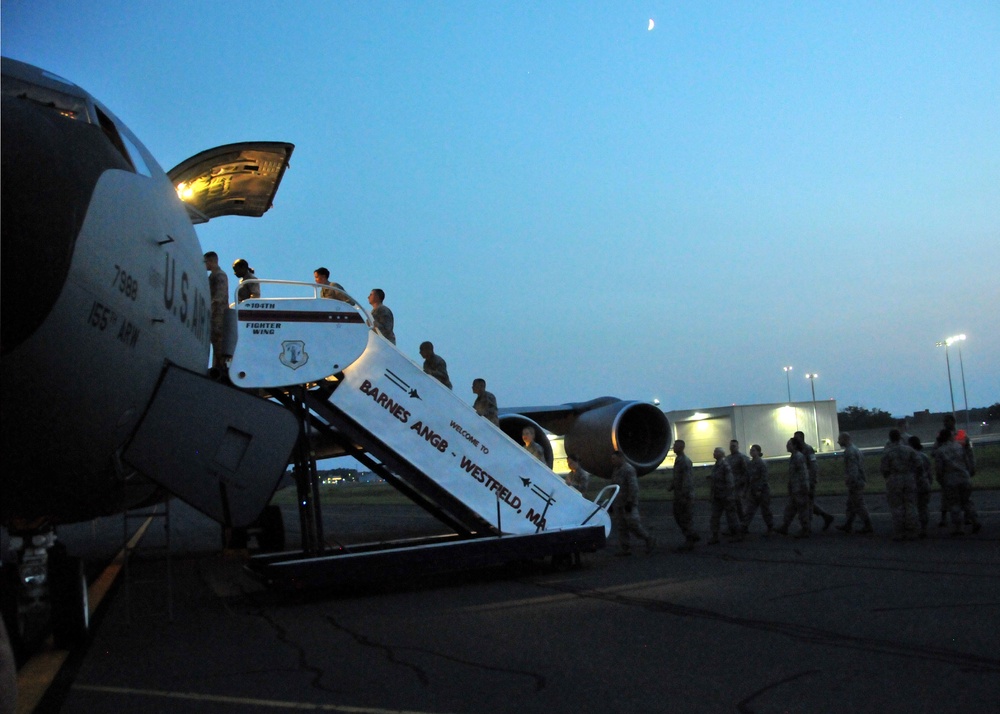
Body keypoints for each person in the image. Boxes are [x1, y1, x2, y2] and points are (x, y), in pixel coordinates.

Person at [933, 428, 980, 536]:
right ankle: (975, 521)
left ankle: (959, 528)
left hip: (951, 479)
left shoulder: (940, 451)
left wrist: (940, 479)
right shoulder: (959, 447)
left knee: (955, 503)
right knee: (967, 501)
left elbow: (939, 468)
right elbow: (967, 461)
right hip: (964, 476)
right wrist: (969, 472)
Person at [610, 450, 655, 555]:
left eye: (614, 459)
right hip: (618, 503)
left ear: (620, 458)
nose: (612, 461)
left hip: (627, 502)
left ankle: (648, 539)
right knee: (621, 527)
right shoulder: (616, 470)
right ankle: (625, 548)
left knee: (633, 524)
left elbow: (633, 487)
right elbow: (613, 487)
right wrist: (611, 502)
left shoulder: (628, 470)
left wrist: (630, 502)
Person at [880, 429, 919, 541]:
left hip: (894, 479)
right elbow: (918, 464)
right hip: (909, 478)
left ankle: (900, 531)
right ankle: (912, 530)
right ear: (900, 438)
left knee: (897, 506)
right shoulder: (909, 450)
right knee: (910, 504)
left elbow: (884, 469)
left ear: (890, 438)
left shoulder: (888, 452)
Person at [795, 431, 834, 531]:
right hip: (802, 480)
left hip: (808, 480)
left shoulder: (808, 449)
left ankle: (807, 526)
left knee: (808, 503)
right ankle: (826, 516)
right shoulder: (798, 450)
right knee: (807, 502)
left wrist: (813, 480)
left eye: (797, 437)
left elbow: (813, 465)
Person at [835, 432, 873, 534]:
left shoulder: (850, 452)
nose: (838, 442)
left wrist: (851, 480)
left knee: (858, 504)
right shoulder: (855, 449)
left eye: (840, 439)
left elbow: (853, 469)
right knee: (851, 504)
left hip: (855, 481)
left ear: (845, 439)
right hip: (859, 480)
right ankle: (848, 525)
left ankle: (867, 525)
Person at [776, 438, 811, 538]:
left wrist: (804, 487)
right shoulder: (793, 456)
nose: (787, 446)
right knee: (790, 509)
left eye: (789, 444)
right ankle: (785, 527)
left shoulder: (798, 457)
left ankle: (805, 530)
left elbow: (803, 473)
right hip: (795, 488)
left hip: (800, 488)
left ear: (795, 446)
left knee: (802, 510)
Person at [667, 439, 698, 550]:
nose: (674, 447)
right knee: (679, 516)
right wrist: (672, 486)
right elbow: (678, 477)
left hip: (684, 495)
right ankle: (692, 535)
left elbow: (687, 480)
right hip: (679, 494)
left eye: (675, 446)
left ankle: (690, 540)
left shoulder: (684, 461)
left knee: (685, 517)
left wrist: (684, 496)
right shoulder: (678, 460)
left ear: (681, 447)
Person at [707, 447, 742, 544]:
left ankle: (737, 534)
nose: (714, 453)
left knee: (731, 516)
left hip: (726, 496)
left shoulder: (725, 465)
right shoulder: (717, 465)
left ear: (721, 454)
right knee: (715, 517)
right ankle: (715, 536)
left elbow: (730, 481)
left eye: (716, 452)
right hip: (718, 495)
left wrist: (729, 495)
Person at [204, 251, 229, 370]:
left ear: (211, 261)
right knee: (214, 339)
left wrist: (211, 306)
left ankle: (220, 366)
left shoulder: (219, 275)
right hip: (214, 313)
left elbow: (220, 295)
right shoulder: (212, 276)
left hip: (219, 314)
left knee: (218, 340)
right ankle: (216, 365)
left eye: (206, 261)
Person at [743, 444, 774, 534]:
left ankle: (770, 527)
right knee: (749, 509)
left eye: (753, 450)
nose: (751, 452)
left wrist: (760, 489)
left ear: (758, 452)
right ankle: (744, 526)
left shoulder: (761, 463)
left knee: (765, 510)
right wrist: (746, 490)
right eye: (751, 450)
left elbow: (764, 477)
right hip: (753, 490)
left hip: (762, 490)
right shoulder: (750, 463)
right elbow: (748, 478)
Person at [908, 436, 933, 538]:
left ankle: (915, 527)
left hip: (914, 484)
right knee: (924, 507)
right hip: (924, 483)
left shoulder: (911, 457)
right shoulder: (924, 456)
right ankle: (924, 528)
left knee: (913, 507)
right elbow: (929, 471)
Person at [726, 439, 751, 532]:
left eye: (734, 446)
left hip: (739, 486)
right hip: (730, 487)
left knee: (740, 507)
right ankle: (733, 528)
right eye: (731, 446)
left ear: (737, 447)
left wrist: (744, 487)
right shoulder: (727, 458)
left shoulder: (742, 458)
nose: (731, 448)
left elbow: (747, 473)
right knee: (731, 508)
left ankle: (744, 526)